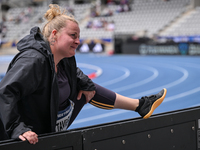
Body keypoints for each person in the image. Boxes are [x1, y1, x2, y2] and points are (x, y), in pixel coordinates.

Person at [0, 4, 167, 145]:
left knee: (86, 87)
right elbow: (5, 92)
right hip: (25, 134)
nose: (78, 41)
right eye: (73, 36)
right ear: (54, 35)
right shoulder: (33, 60)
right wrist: (17, 128)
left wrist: (85, 84)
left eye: (79, 37)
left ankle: (140, 105)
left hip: (49, 123)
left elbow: (75, 73)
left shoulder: (64, 59)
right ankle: (140, 105)